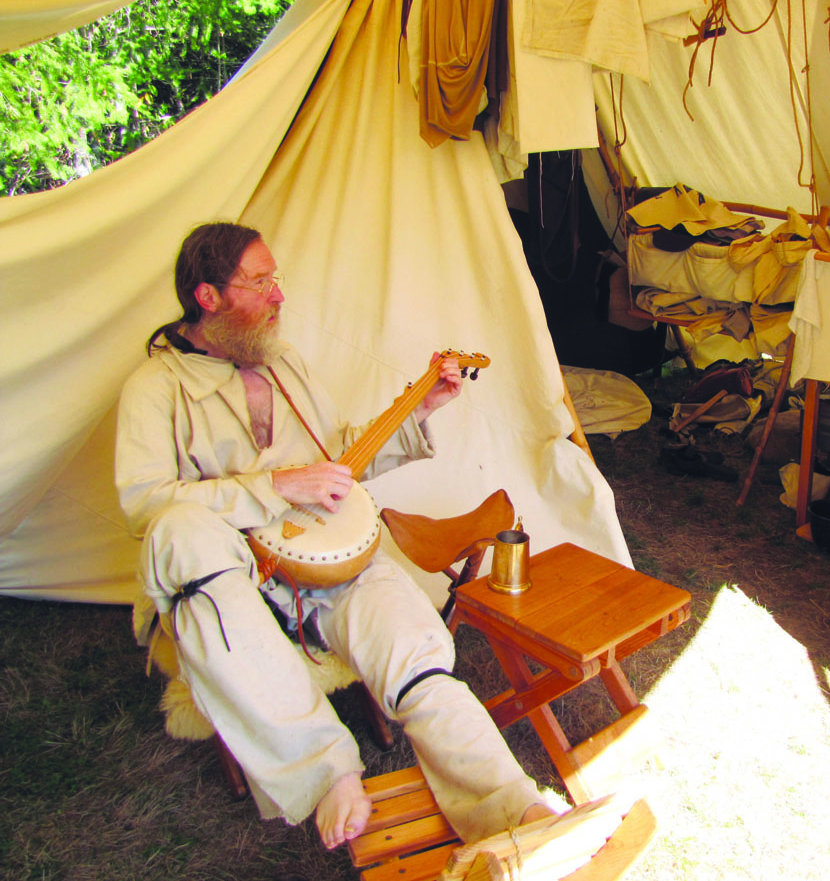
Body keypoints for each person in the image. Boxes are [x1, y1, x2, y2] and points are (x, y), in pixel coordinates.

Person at [116, 222, 556, 849]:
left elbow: (337, 463)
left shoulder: (285, 361)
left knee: (418, 659)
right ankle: (328, 772)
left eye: (277, 279)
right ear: (207, 296)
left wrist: (419, 410)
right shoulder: (155, 388)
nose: (278, 295)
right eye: (260, 282)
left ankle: (517, 813)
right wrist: (275, 487)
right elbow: (145, 504)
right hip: (228, 580)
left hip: (329, 564)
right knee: (179, 530)